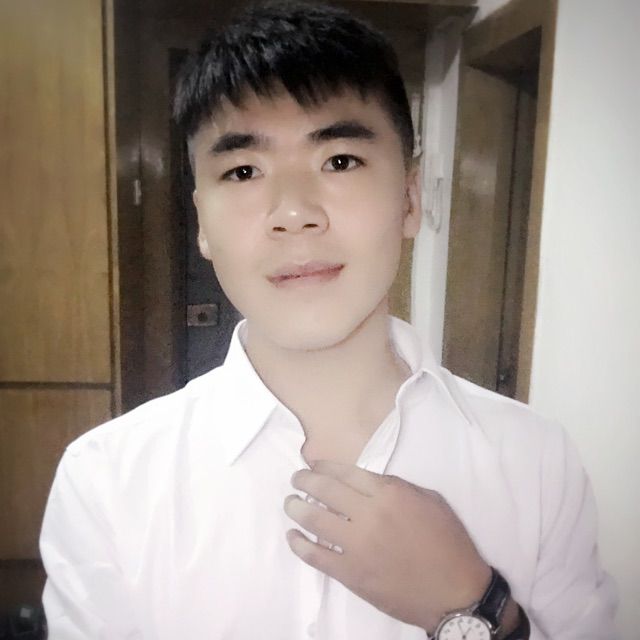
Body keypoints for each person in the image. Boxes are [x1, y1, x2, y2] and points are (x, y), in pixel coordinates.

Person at [39, 2, 618, 638]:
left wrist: (477, 607)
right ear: (202, 221)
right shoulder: (106, 481)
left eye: (339, 160)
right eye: (243, 170)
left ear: (409, 197)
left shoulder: (536, 461)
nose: (294, 212)